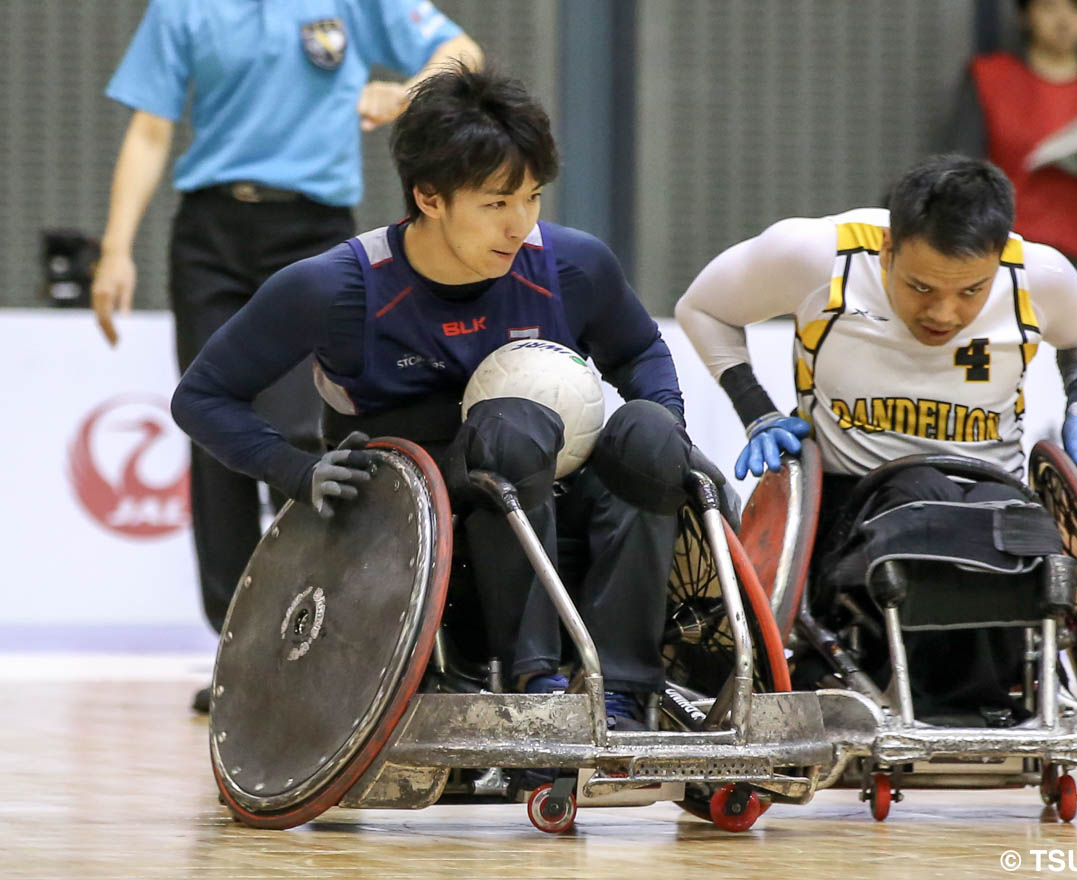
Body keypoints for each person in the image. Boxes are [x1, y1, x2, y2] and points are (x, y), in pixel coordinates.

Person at [172, 68, 706, 735]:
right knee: (510, 428)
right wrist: (296, 470)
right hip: (412, 508)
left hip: (551, 479)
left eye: (533, 198)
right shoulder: (338, 287)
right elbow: (202, 397)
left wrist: (668, 418)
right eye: (496, 203)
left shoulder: (573, 266)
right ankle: (532, 680)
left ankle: (626, 693)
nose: (521, 225)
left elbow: (642, 354)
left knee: (652, 436)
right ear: (429, 196)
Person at [90, 0, 482, 710]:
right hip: (212, 234)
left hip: (314, 234)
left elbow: (463, 52)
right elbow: (150, 130)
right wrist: (116, 248)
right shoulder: (183, 11)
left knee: (306, 432)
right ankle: (241, 650)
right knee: (216, 435)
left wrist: (407, 91)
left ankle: (328, 641)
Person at [675, 154, 1077, 717]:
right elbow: (704, 307)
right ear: (887, 250)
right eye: (921, 287)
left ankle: (974, 695)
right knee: (922, 494)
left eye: (971, 291)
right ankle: (937, 698)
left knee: (1014, 523)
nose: (945, 312)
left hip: (992, 488)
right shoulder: (816, 256)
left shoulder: (1038, 277)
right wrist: (756, 410)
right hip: (856, 500)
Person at [945, 0, 1077, 319]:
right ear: (1026, 16)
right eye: (1050, 8)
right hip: (1009, 252)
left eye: (1074, 9)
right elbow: (961, 170)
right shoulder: (989, 77)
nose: (1063, 20)